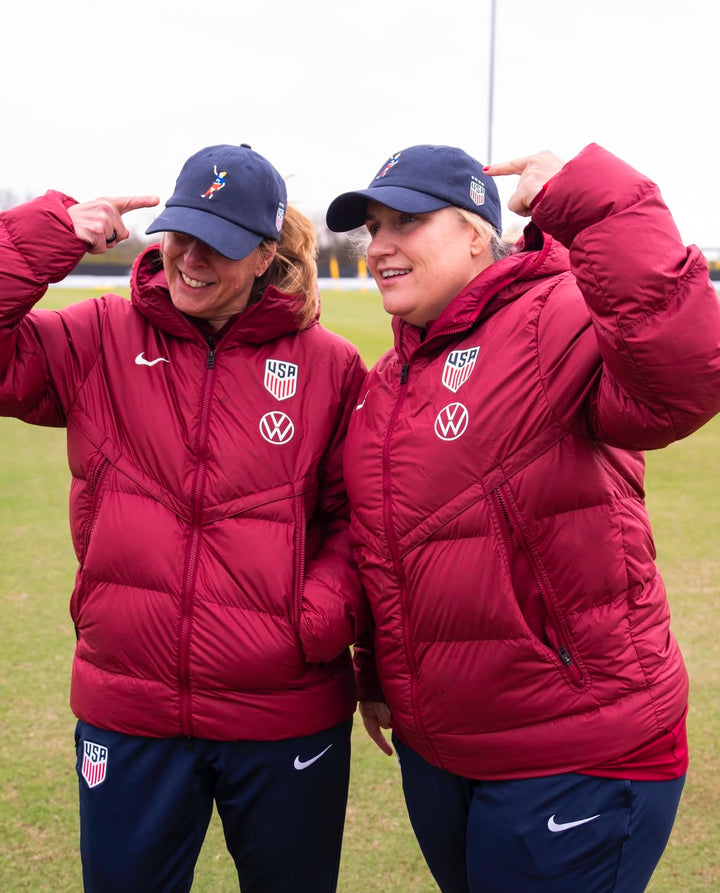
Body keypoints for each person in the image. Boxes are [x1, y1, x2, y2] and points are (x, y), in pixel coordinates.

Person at [325, 142, 720, 893]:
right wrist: (375, 669)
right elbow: (391, 546)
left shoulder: (555, 311)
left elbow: (680, 379)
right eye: (373, 227)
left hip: (576, 754)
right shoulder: (386, 381)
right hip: (445, 753)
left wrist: (595, 200)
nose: (379, 247)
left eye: (406, 221)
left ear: (478, 231)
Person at [0, 143, 367, 893]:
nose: (189, 258)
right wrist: (48, 232)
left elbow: (357, 521)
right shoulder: (97, 336)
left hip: (283, 710)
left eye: (220, 243)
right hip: (129, 706)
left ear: (265, 255)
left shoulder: (330, 367)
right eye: (180, 232)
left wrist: (311, 619)